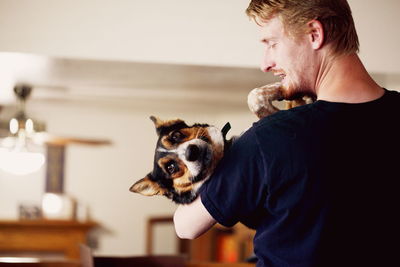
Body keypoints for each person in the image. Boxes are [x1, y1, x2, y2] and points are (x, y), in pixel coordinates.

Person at [173, 0, 400, 266]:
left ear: (315, 34)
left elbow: (185, 226)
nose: (265, 63)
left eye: (272, 43)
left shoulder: (270, 138)